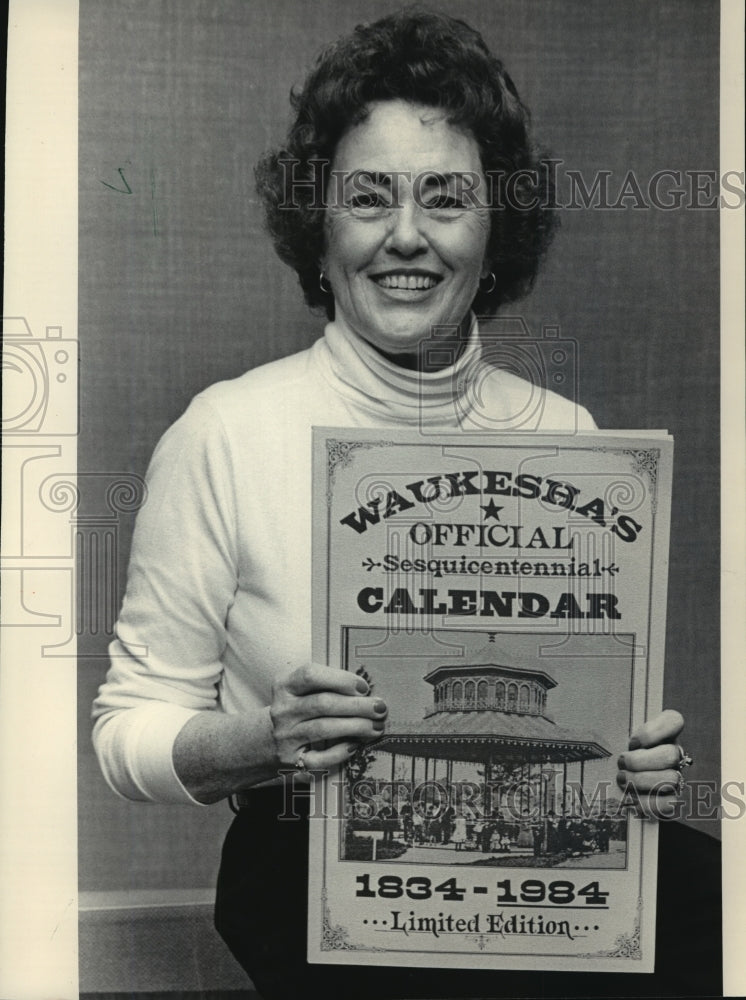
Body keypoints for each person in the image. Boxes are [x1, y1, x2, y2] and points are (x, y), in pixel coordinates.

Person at [92, 10, 719, 999]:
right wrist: (265, 737)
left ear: (494, 225)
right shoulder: (223, 431)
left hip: (533, 849)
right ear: (319, 219)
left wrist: (631, 765)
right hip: (305, 860)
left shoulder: (563, 431)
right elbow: (127, 734)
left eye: (445, 199)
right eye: (367, 197)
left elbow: (594, 699)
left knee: (710, 904)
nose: (405, 237)